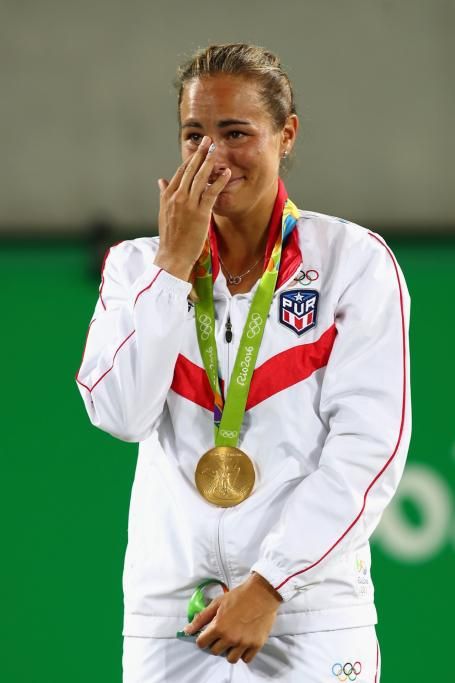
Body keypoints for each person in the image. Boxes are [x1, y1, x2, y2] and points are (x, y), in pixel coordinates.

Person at [76, 43, 411, 683]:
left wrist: (270, 585)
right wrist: (172, 267)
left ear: (287, 135)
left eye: (236, 133)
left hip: (308, 616)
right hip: (171, 622)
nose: (213, 156)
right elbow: (121, 415)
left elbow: (369, 449)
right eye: (194, 135)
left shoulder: (353, 262)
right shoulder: (134, 267)